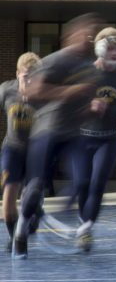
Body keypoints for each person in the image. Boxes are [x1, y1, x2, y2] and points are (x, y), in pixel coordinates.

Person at [14, 13, 104, 259]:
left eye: (91, 35)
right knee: (35, 187)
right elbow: (33, 91)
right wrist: (71, 90)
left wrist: (93, 108)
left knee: (83, 181)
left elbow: (82, 108)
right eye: (84, 33)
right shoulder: (55, 61)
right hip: (47, 131)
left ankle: (70, 219)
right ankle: (22, 229)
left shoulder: (91, 71)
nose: (87, 39)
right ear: (69, 36)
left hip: (73, 133)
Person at [71, 28, 116, 251]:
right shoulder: (84, 73)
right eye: (111, 48)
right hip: (82, 139)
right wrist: (87, 106)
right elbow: (67, 106)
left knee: (97, 185)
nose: (115, 53)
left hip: (108, 139)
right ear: (100, 49)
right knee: (82, 184)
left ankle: (86, 230)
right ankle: (84, 222)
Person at [1, 53, 41, 253]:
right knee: (9, 193)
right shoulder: (6, 91)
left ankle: (36, 210)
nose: (30, 81)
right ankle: (13, 236)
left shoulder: (46, 94)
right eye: (26, 76)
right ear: (17, 74)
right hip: (12, 148)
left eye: (35, 77)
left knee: (32, 194)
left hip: (36, 150)